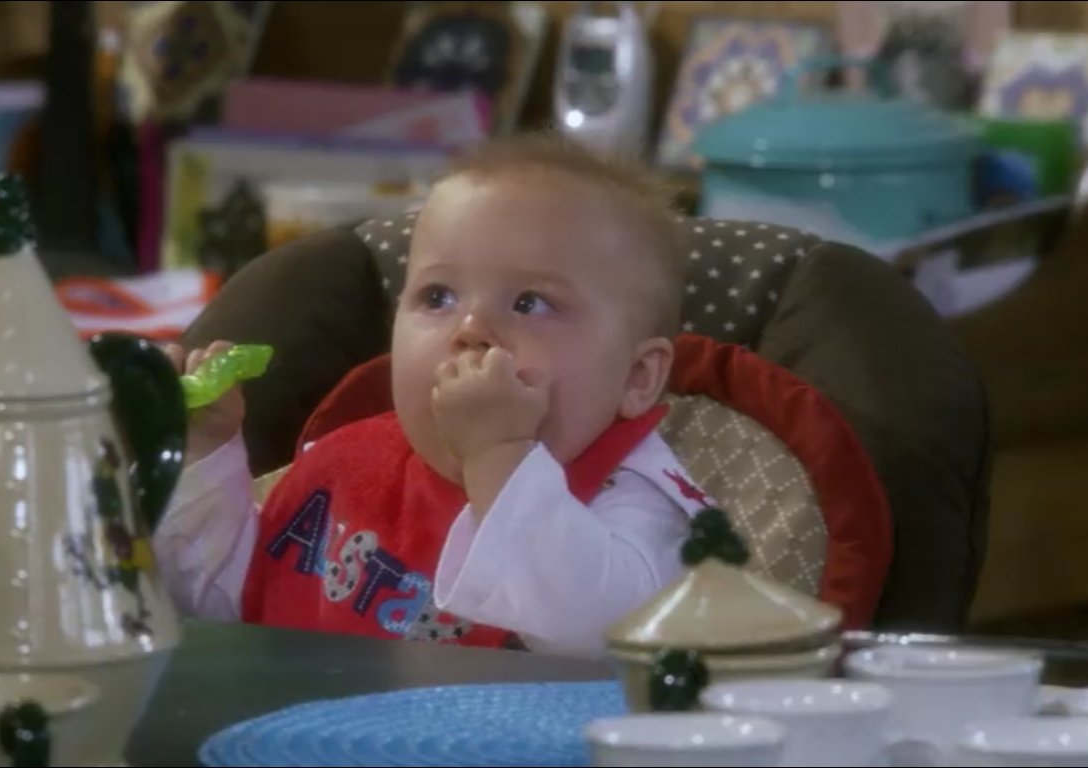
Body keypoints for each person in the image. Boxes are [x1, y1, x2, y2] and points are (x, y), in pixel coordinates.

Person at [154, 134, 716, 658]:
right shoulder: (351, 465)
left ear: (636, 377)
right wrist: (200, 456)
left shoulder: (642, 506)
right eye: (438, 296)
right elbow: (222, 610)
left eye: (531, 304)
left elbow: (598, 637)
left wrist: (499, 456)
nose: (470, 329)